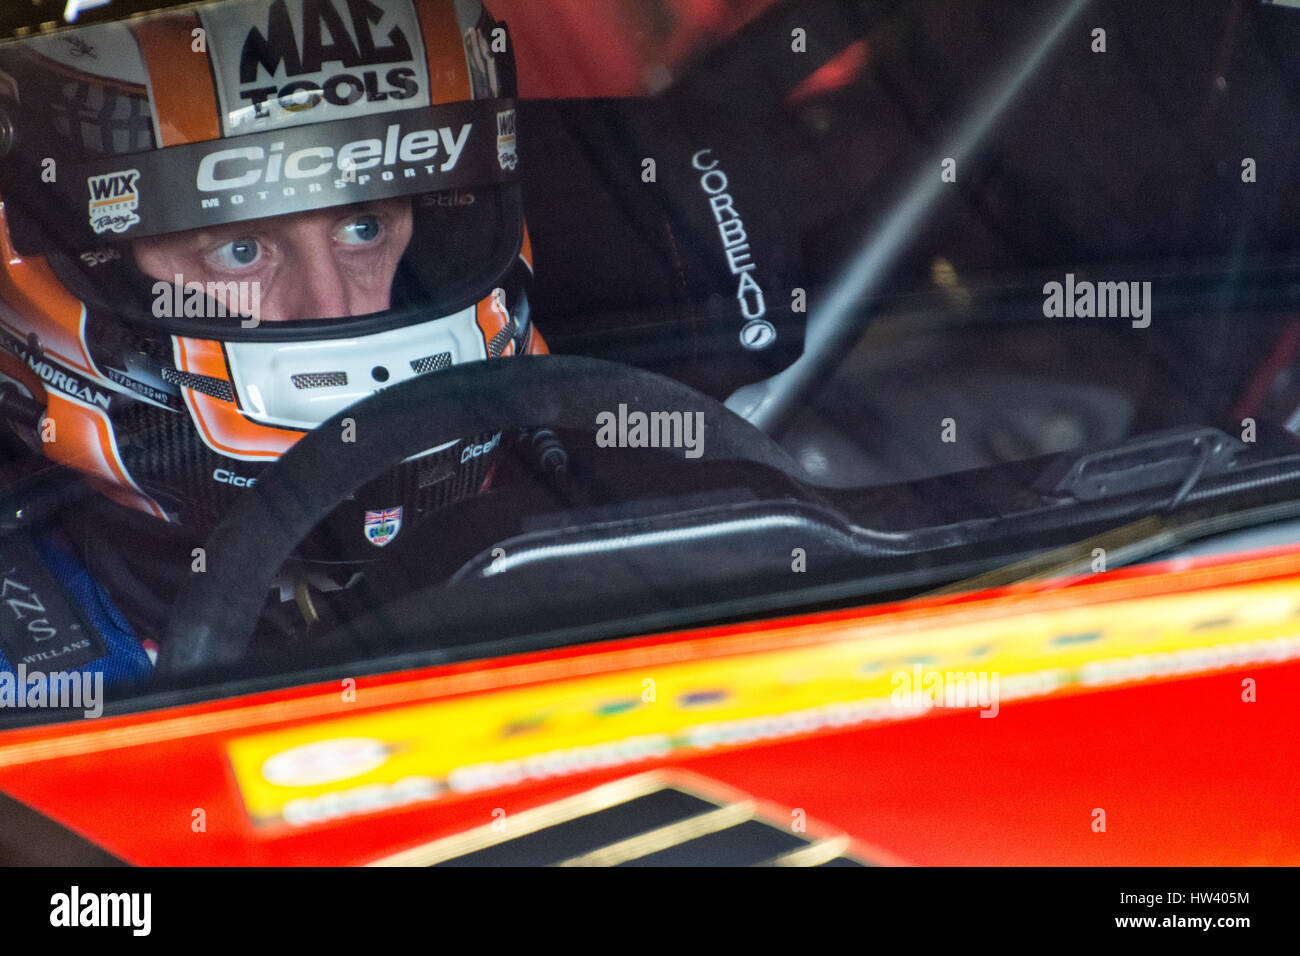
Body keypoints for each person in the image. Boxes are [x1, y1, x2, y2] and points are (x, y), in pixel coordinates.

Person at [0, 0, 545, 683]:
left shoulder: (589, 523)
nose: (329, 309)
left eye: (365, 228)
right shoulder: (29, 691)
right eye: (238, 247)